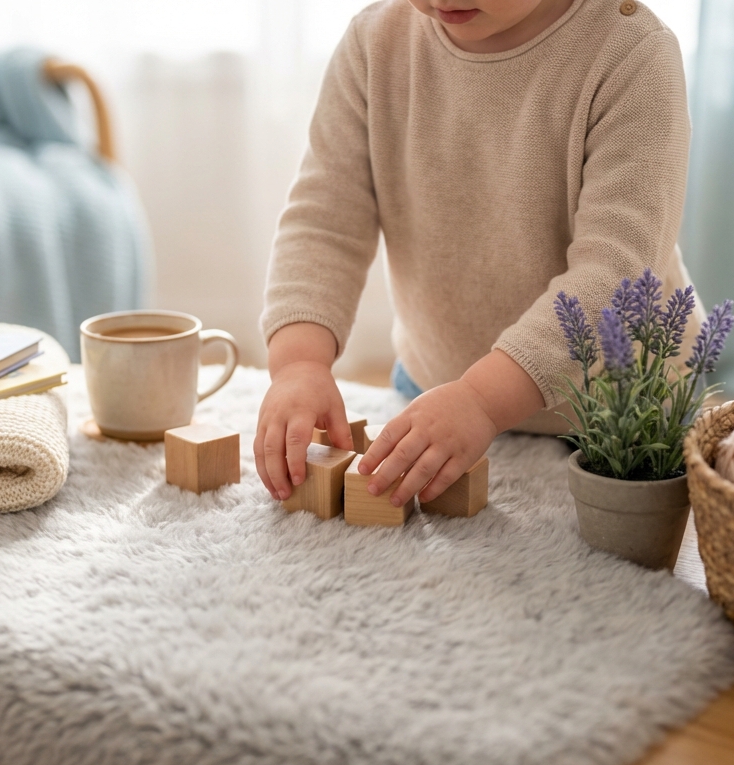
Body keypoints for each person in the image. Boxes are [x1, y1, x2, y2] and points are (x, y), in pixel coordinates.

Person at [256, 0, 704, 508]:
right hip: (437, 386)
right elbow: (323, 219)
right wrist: (299, 364)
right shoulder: (373, 43)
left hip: (623, 409)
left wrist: (482, 400)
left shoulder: (632, 54)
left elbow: (615, 272)